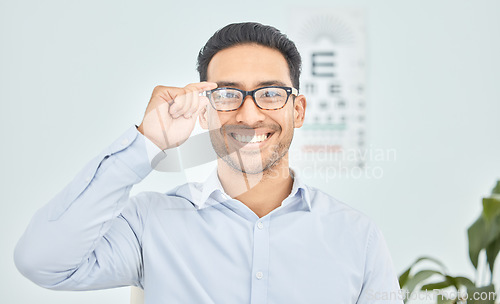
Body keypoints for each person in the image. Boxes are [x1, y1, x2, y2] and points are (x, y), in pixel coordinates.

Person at [14, 22, 403, 303]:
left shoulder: (357, 238)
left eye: (269, 94)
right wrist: (146, 144)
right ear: (205, 113)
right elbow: (43, 262)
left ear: (297, 110)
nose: (249, 116)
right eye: (228, 94)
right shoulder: (152, 222)